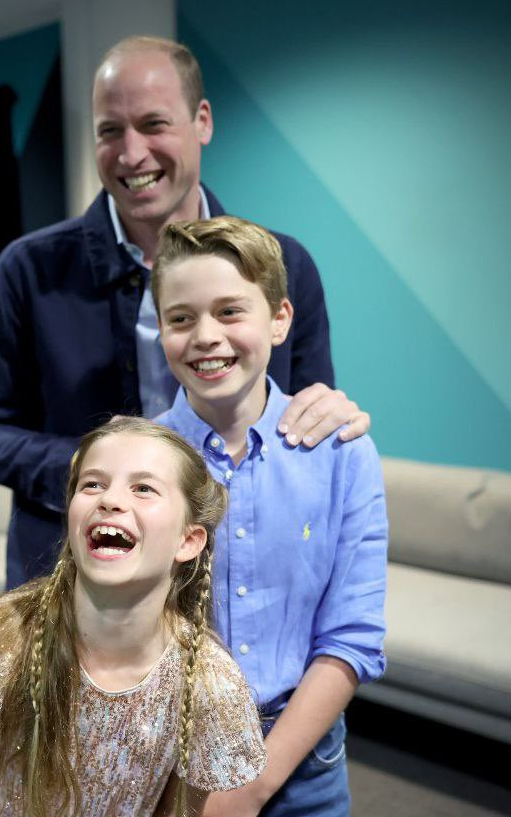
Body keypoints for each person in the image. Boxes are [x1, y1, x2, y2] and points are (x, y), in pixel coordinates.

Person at [0, 36, 371, 587]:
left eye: (153, 124)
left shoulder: (286, 265)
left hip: (242, 577)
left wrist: (331, 414)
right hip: (69, 577)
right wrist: (94, 472)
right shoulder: (27, 269)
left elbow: (306, 414)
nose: (131, 154)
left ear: (202, 121)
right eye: (110, 131)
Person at [152, 216, 387, 816]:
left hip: (305, 765)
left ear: (279, 319)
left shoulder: (342, 455)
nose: (206, 336)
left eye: (231, 312)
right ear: (160, 330)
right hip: (166, 758)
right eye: (181, 318)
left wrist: (254, 785)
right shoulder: (139, 460)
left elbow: (352, 637)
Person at [0, 416, 266, 817]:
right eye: (92, 484)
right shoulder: (8, 636)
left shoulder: (210, 684)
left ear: (188, 540)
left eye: (143, 488)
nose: (109, 500)